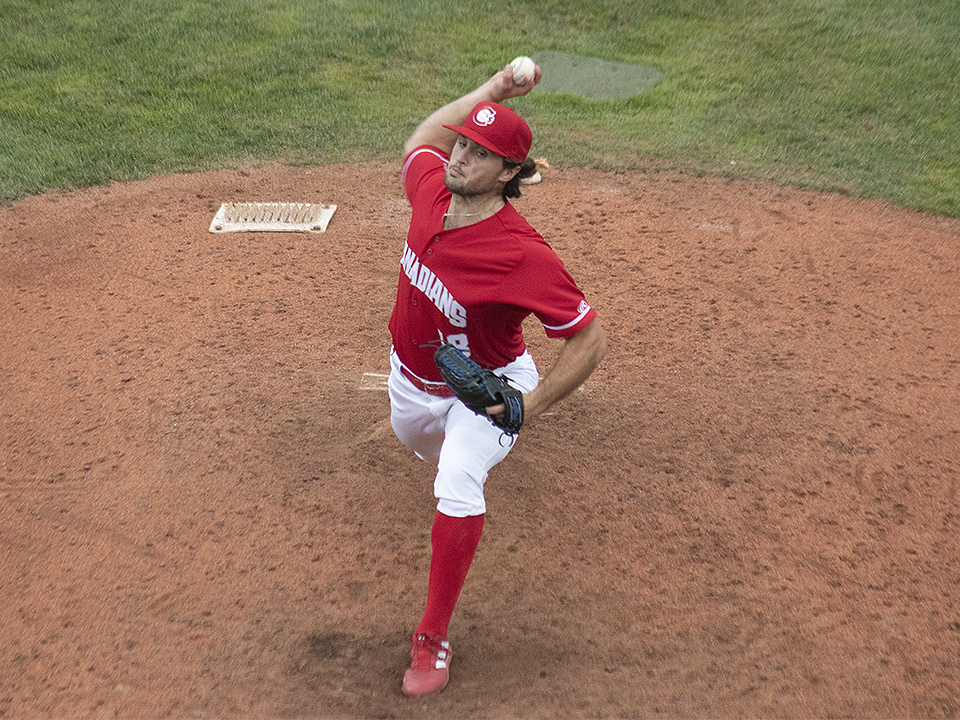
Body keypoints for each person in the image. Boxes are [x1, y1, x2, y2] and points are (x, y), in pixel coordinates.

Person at [389, 61, 607, 698]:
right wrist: (494, 90)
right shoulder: (432, 192)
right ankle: (455, 470)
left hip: (485, 390)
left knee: (458, 477)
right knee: (427, 452)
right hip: (410, 388)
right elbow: (420, 143)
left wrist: (529, 406)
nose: (458, 157)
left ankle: (432, 637)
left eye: (479, 154)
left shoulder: (522, 254)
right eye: (462, 144)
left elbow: (590, 337)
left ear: (509, 173)